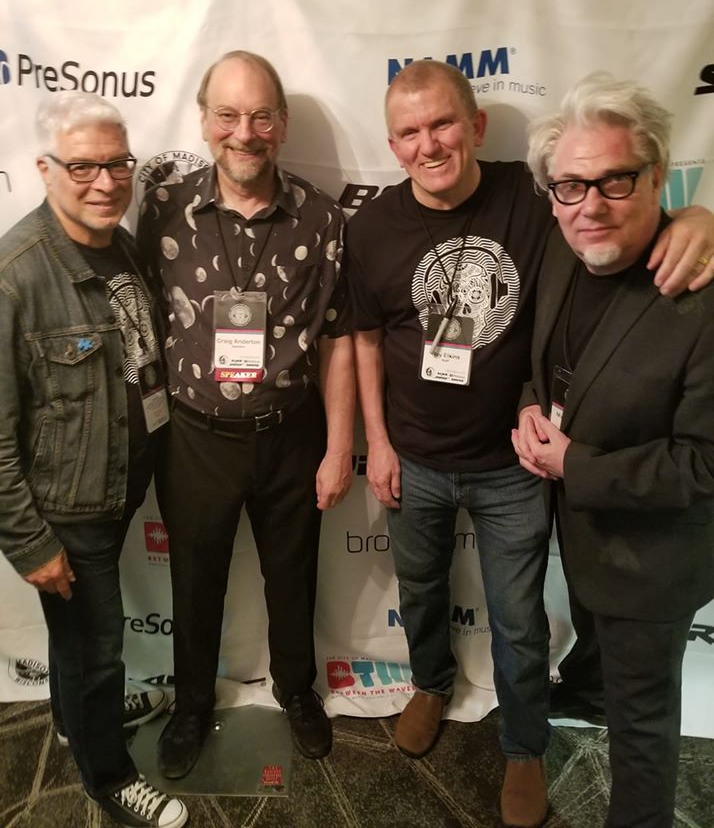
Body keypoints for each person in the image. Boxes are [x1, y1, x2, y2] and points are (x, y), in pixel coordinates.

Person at [346, 59, 714, 828]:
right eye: (409, 133)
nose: (430, 144)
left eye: (443, 123)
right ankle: (430, 683)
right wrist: (374, 443)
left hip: (512, 470)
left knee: (517, 621)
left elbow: (623, 204)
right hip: (414, 456)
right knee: (418, 591)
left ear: (477, 126)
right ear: (391, 143)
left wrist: (699, 217)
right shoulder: (375, 226)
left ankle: (523, 746)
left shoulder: (532, 195)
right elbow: (369, 340)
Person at [138, 50, 354, 779]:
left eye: (261, 115)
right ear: (203, 121)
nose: (245, 131)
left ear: (282, 124)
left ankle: (296, 692)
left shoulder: (321, 218)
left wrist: (338, 446)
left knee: (292, 577)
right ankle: (193, 704)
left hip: (291, 436)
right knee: (194, 581)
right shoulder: (164, 209)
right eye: (227, 114)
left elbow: (336, 339)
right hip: (194, 439)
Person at [513, 72, 714, 828]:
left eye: (614, 181)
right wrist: (531, 412)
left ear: (658, 176)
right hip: (585, 541)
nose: (589, 204)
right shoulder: (566, 246)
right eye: (570, 185)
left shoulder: (701, 292)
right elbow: (547, 367)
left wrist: (574, 465)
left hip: (650, 565)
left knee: (642, 733)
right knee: (605, 680)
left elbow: (705, 465)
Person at [0, 93, 187, 828]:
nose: (106, 182)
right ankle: (109, 776)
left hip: (119, 485)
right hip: (65, 508)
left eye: (118, 164)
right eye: (84, 166)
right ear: (46, 171)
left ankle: (85, 719)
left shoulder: (121, 243)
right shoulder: (16, 277)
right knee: (97, 643)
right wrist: (28, 540)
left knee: (78, 642)